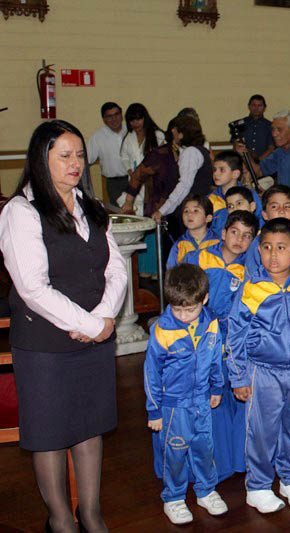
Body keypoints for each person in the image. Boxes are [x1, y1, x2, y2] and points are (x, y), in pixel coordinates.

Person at [0, 120, 127, 532]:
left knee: (89, 429)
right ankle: (61, 520)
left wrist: (105, 318)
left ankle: (91, 513)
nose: (75, 164)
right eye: (64, 156)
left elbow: (117, 268)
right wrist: (90, 323)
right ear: (41, 159)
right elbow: (33, 288)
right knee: (51, 434)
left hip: (93, 337)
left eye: (79, 156)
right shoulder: (22, 211)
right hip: (46, 344)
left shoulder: (90, 207)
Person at [226, 218, 290, 512]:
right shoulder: (252, 289)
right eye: (267, 248)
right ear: (258, 251)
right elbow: (235, 334)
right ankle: (258, 486)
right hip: (264, 372)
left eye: (282, 248)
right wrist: (239, 377)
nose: (273, 255)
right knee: (262, 430)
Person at [143, 264, 228, 524]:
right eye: (177, 308)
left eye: (190, 309)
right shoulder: (162, 330)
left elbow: (216, 358)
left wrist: (216, 387)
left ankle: (206, 490)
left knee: (204, 447)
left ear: (204, 299)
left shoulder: (211, 323)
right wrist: (154, 410)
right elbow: (151, 374)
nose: (183, 315)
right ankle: (174, 497)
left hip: (202, 399)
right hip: (173, 406)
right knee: (176, 451)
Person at [185, 210, 258, 480]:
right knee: (203, 398)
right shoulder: (199, 257)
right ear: (224, 232)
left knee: (231, 399)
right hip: (198, 335)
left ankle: (233, 460)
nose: (240, 239)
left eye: (248, 235)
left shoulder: (250, 269)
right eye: (235, 232)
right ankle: (201, 464)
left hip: (231, 340)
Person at [152, 116, 213, 226]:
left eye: (174, 130)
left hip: (192, 208)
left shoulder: (190, 153)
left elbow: (184, 185)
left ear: (181, 134)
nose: (172, 132)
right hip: (199, 206)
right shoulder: (200, 150)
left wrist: (163, 210)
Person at [119, 103, 165, 212]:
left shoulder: (158, 135)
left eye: (138, 119)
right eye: (132, 121)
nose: (135, 123)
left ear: (145, 118)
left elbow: (163, 161)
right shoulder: (129, 137)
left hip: (153, 184)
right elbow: (124, 157)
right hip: (134, 182)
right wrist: (130, 170)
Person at [208, 150, 261, 236]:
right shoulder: (210, 199)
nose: (216, 174)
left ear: (235, 174)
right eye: (214, 170)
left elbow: (260, 220)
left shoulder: (250, 194)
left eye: (222, 170)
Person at [87, 101, 127, 201]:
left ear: (121, 115)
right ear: (104, 119)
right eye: (109, 116)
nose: (114, 119)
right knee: (119, 214)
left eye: (116, 114)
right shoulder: (98, 137)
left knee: (139, 213)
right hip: (114, 184)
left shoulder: (131, 131)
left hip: (136, 181)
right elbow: (86, 159)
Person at [166, 194, 219, 269]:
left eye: (195, 210)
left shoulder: (217, 243)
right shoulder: (179, 245)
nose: (189, 214)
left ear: (208, 218)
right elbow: (171, 272)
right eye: (186, 211)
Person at [232, 94, 274, 163]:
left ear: (264, 108)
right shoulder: (239, 124)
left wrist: (258, 162)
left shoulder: (270, 126)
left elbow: (271, 148)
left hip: (264, 164)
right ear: (249, 106)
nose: (256, 108)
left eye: (259, 105)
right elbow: (235, 146)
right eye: (253, 105)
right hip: (243, 163)